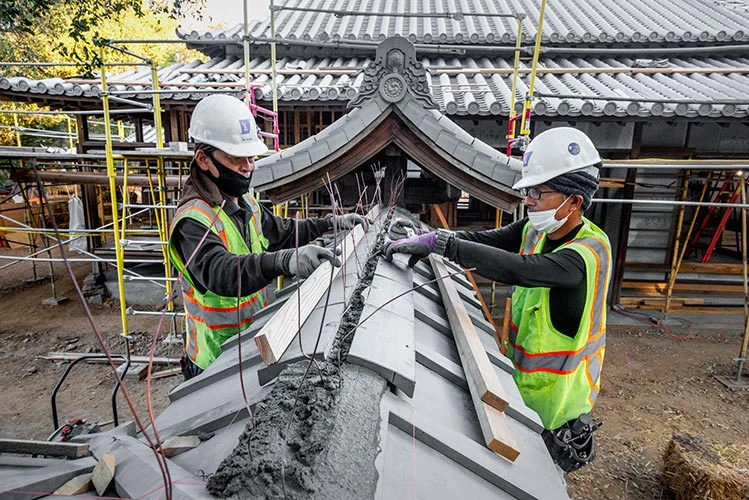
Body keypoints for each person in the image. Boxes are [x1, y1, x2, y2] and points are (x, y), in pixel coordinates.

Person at [383, 127, 611, 472]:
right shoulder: (537, 230)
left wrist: (442, 246)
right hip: (521, 393)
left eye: (538, 192)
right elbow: (485, 240)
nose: (528, 200)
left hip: (555, 411)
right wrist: (432, 236)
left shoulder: (585, 256)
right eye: (528, 191)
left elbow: (520, 269)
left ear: (574, 201)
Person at [168, 94, 369, 378]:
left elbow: (282, 231)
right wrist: (284, 261)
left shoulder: (245, 202)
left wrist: (331, 223)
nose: (247, 167)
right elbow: (222, 272)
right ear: (203, 159)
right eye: (236, 158)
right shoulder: (193, 220)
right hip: (213, 362)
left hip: (255, 342)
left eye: (250, 157)